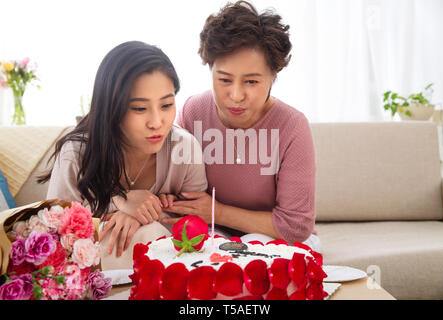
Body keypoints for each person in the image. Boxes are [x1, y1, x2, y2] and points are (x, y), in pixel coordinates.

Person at [162, 1, 320, 252]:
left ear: (275, 73)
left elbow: (295, 226)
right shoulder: (193, 112)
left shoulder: (292, 127)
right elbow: (175, 193)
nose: (236, 95)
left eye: (251, 81)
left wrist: (216, 211)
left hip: (273, 239)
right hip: (211, 233)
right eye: (224, 79)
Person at [38, 41, 208, 266]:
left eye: (166, 105)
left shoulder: (184, 148)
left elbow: (197, 230)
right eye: (139, 108)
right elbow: (54, 238)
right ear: (111, 107)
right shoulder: (76, 155)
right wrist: (120, 201)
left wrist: (145, 212)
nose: (157, 122)